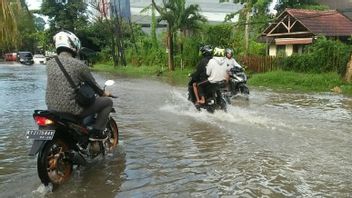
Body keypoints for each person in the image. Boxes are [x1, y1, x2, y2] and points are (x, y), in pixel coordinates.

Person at [46, 30, 113, 141]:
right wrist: (104, 93)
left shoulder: (49, 64)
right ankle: (97, 133)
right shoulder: (79, 65)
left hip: (51, 108)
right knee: (107, 102)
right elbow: (93, 85)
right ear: (73, 45)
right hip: (71, 109)